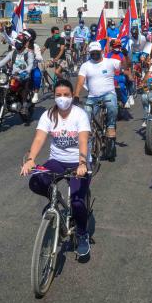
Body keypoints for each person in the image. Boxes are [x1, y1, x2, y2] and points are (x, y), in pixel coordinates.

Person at [20, 78, 92, 257]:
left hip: (78, 164)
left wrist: (82, 163)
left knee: (77, 202)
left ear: (71, 95)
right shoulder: (48, 115)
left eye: (66, 95)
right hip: (57, 162)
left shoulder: (80, 114)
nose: (62, 98)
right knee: (35, 182)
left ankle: (82, 234)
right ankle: (55, 201)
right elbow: (39, 139)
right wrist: (30, 159)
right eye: (58, 95)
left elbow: (83, 140)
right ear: (54, 96)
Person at [75, 42, 122, 159]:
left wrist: (125, 56)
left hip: (108, 94)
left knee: (112, 106)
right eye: (92, 53)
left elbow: (124, 66)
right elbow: (80, 81)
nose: (95, 55)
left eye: (97, 53)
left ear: (101, 52)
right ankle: (91, 138)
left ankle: (110, 126)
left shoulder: (110, 62)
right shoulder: (85, 65)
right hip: (92, 97)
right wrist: (76, 95)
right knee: (86, 115)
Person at [0, 33, 36, 115]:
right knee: (3, 83)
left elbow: (31, 64)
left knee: (24, 87)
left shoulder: (28, 53)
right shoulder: (13, 53)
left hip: (24, 76)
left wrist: (26, 71)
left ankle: (24, 105)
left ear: (24, 44)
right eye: (16, 42)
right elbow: (4, 61)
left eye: (19, 42)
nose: (17, 44)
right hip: (13, 75)